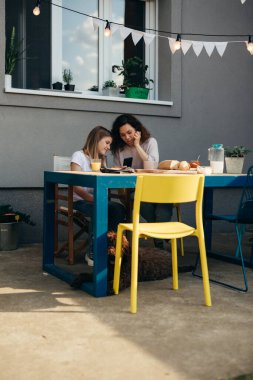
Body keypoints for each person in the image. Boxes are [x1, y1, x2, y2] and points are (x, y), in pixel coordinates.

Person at [111, 114, 173, 250]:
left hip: (156, 186)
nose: (127, 138)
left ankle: (158, 238)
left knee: (166, 202)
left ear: (137, 130)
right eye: (122, 135)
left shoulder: (150, 142)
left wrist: (137, 146)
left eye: (129, 133)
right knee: (141, 199)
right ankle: (161, 236)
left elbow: (151, 167)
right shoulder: (119, 149)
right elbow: (118, 172)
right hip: (134, 189)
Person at [71, 126, 126, 266]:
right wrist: (94, 199)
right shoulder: (78, 156)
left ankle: (109, 249)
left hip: (97, 200)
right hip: (80, 201)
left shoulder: (102, 160)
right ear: (96, 140)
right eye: (107, 143)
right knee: (100, 208)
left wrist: (114, 172)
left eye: (110, 144)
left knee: (118, 208)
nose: (108, 147)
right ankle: (93, 253)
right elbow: (75, 187)